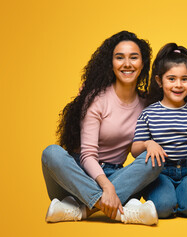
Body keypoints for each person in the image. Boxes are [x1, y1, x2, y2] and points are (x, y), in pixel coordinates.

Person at [41, 31, 163, 225]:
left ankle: (80, 210)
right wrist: (107, 188)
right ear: (111, 63)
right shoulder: (96, 99)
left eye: (134, 57)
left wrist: (149, 144)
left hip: (116, 174)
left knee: (156, 160)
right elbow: (88, 155)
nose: (127, 64)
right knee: (51, 153)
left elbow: (137, 147)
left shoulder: (146, 103)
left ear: (143, 63)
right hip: (78, 175)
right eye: (119, 57)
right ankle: (115, 211)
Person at [131, 43, 187, 218]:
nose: (178, 85)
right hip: (160, 173)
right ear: (159, 81)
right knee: (162, 209)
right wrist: (149, 144)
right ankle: (167, 199)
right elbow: (134, 150)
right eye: (171, 79)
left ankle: (180, 199)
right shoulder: (149, 113)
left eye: (184, 79)